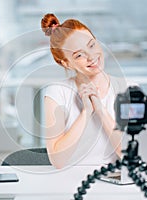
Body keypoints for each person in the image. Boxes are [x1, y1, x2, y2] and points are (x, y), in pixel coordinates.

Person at [41, 13, 135, 169]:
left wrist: (100, 110)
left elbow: (129, 154)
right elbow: (58, 161)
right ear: (66, 63)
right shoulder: (57, 93)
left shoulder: (128, 89)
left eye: (92, 45)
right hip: (71, 185)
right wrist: (86, 112)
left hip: (117, 184)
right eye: (79, 55)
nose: (91, 57)